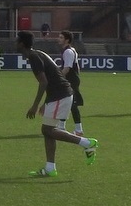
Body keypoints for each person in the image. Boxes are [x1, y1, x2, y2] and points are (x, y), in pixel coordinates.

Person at [16, 31, 98, 177]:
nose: (15, 43)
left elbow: (44, 82)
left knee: (47, 130)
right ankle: (50, 168)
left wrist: (35, 105)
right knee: (48, 131)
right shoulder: (37, 54)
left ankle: (87, 143)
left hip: (61, 95)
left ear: (21, 43)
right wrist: (45, 103)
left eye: (17, 40)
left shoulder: (34, 57)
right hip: (58, 94)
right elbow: (52, 78)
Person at [57, 31, 83, 134]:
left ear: (67, 40)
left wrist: (58, 78)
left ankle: (78, 129)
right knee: (66, 103)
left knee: (72, 104)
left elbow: (67, 68)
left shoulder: (68, 52)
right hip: (72, 79)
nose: (58, 39)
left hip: (70, 80)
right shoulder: (71, 50)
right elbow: (77, 67)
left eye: (61, 37)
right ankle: (62, 127)